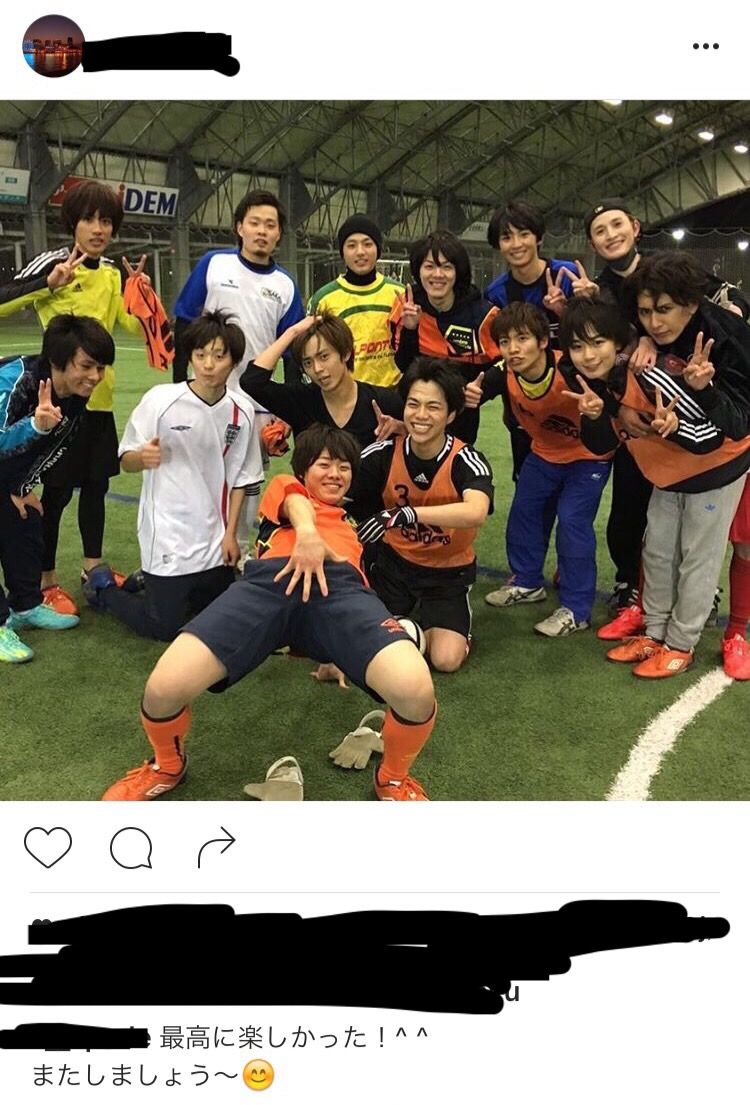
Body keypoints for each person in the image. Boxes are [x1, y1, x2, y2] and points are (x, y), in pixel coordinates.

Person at [101, 424, 435, 802]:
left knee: (416, 691)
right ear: (304, 470)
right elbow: (295, 503)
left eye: (344, 467)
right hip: (269, 583)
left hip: (342, 590)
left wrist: (342, 654)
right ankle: (166, 765)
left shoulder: (352, 525)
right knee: (163, 689)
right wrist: (307, 535)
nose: (335, 474)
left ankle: (392, 779)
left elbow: (359, 597)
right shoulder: (286, 490)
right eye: (325, 464)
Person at [559, 288, 750, 678]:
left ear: (619, 344)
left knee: (697, 559)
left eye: (597, 343)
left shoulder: (654, 374)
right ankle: (654, 632)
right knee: (658, 553)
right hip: (667, 473)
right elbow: (603, 443)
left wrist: (673, 428)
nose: (588, 355)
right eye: (577, 346)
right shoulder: (597, 382)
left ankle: (681, 644)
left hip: (716, 467)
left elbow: (715, 435)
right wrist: (596, 416)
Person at [581, 199, 750, 636]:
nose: (655, 322)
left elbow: (734, 423)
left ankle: (720, 629)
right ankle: (640, 604)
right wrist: (618, 404)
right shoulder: (602, 293)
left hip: (719, 451)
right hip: (659, 443)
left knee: (725, 543)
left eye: (663, 310)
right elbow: (597, 360)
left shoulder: (717, 328)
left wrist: (705, 389)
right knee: (642, 528)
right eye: (644, 312)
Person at [0, 180, 165, 617]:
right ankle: (46, 581)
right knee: (54, 495)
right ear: (72, 223)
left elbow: (132, 328)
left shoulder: (111, 273)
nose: (98, 229)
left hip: (99, 403)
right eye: (89, 219)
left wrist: (142, 296)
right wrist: (46, 284)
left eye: (106, 221)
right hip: (54, 404)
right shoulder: (52, 263)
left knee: (96, 487)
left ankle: (92, 568)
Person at [82, 312, 264, 641]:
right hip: (168, 534)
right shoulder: (161, 400)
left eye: (219, 356)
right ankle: (103, 588)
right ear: (190, 357)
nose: (208, 364)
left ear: (234, 361)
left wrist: (231, 537)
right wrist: (142, 458)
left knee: (217, 618)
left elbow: (241, 478)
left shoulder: (242, 411)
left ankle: (148, 582)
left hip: (214, 539)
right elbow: (126, 460)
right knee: (165, 628)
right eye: (200, 355)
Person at [478, 303, 612, 637]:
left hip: (589, 456)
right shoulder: (503, 373)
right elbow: (466, 391)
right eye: (505, 341)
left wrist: (600, 410)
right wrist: (466, 395)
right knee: (524, 510)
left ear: (542, 342)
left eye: (522, 339)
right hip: (545, 452)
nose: (513, 348)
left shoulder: (572, 368)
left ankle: (577, 610)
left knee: (572, 520)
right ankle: (527, 582)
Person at [352, 358, 493, 672]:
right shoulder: (383, 453)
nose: (421, 415)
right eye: (413, 404)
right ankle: (407, 623)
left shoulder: (466, 459)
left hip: (447, 573)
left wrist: (407, 514)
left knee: (445, 660)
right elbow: (335, 488)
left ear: (451, 415)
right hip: (394, 565)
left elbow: (476, 511)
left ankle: (439, 627)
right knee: (366, 641)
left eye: (433, 407)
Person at [0, 315, 114, 662]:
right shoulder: (14, 379)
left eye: (101, 367)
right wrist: (34, 426)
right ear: (58, 360)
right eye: (86, 366)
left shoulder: (75, 399)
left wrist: (19, 487)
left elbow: (48, 453)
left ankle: (25, 604)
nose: (95, 376)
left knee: (26, 517)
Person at [172, 189, 305, 389]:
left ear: (278, 234)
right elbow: (185, 322)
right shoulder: (213, 263)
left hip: (257, 399)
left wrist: (291, 400)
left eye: (270, 225)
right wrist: (179, 384)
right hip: (207, 393)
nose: (262, 231)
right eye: (254, 223)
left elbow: (292, 352)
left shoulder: (286, 285)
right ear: (240, 228)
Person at [388, 230, 500, 445]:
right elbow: (404, 365)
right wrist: (411, 329)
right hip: (418, 413)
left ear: (458, 271)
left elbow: (505, 363)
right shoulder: (407, 305)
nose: (437, 274)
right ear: (418, 270)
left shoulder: (484, 315)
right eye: (429, 266)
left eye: (446, 267)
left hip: (462, 420)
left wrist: (484, 389)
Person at [240, 311, 404, 449]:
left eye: (324, 356)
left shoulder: (384, 403)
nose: (317, 369)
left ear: (346, 353)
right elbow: (252, 381)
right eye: (308, 363)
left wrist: (402, 429)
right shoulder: (301, 402)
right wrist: (293, 332)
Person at [308, 214, 403, 386]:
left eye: (367, 244)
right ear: (342, 252)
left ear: (378, 249)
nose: (360, 252)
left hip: (392, 393)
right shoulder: (324, 299)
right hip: (344, 394)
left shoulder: (399, 293)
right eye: (351, 245)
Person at [484, 200, 580, 344]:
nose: (516, 244)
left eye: (524, 234)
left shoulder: (567, 274)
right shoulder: (495, 294)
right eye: (506, 238)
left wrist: (564, 311)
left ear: (539, 238)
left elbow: (591, 331)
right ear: (498, 245)